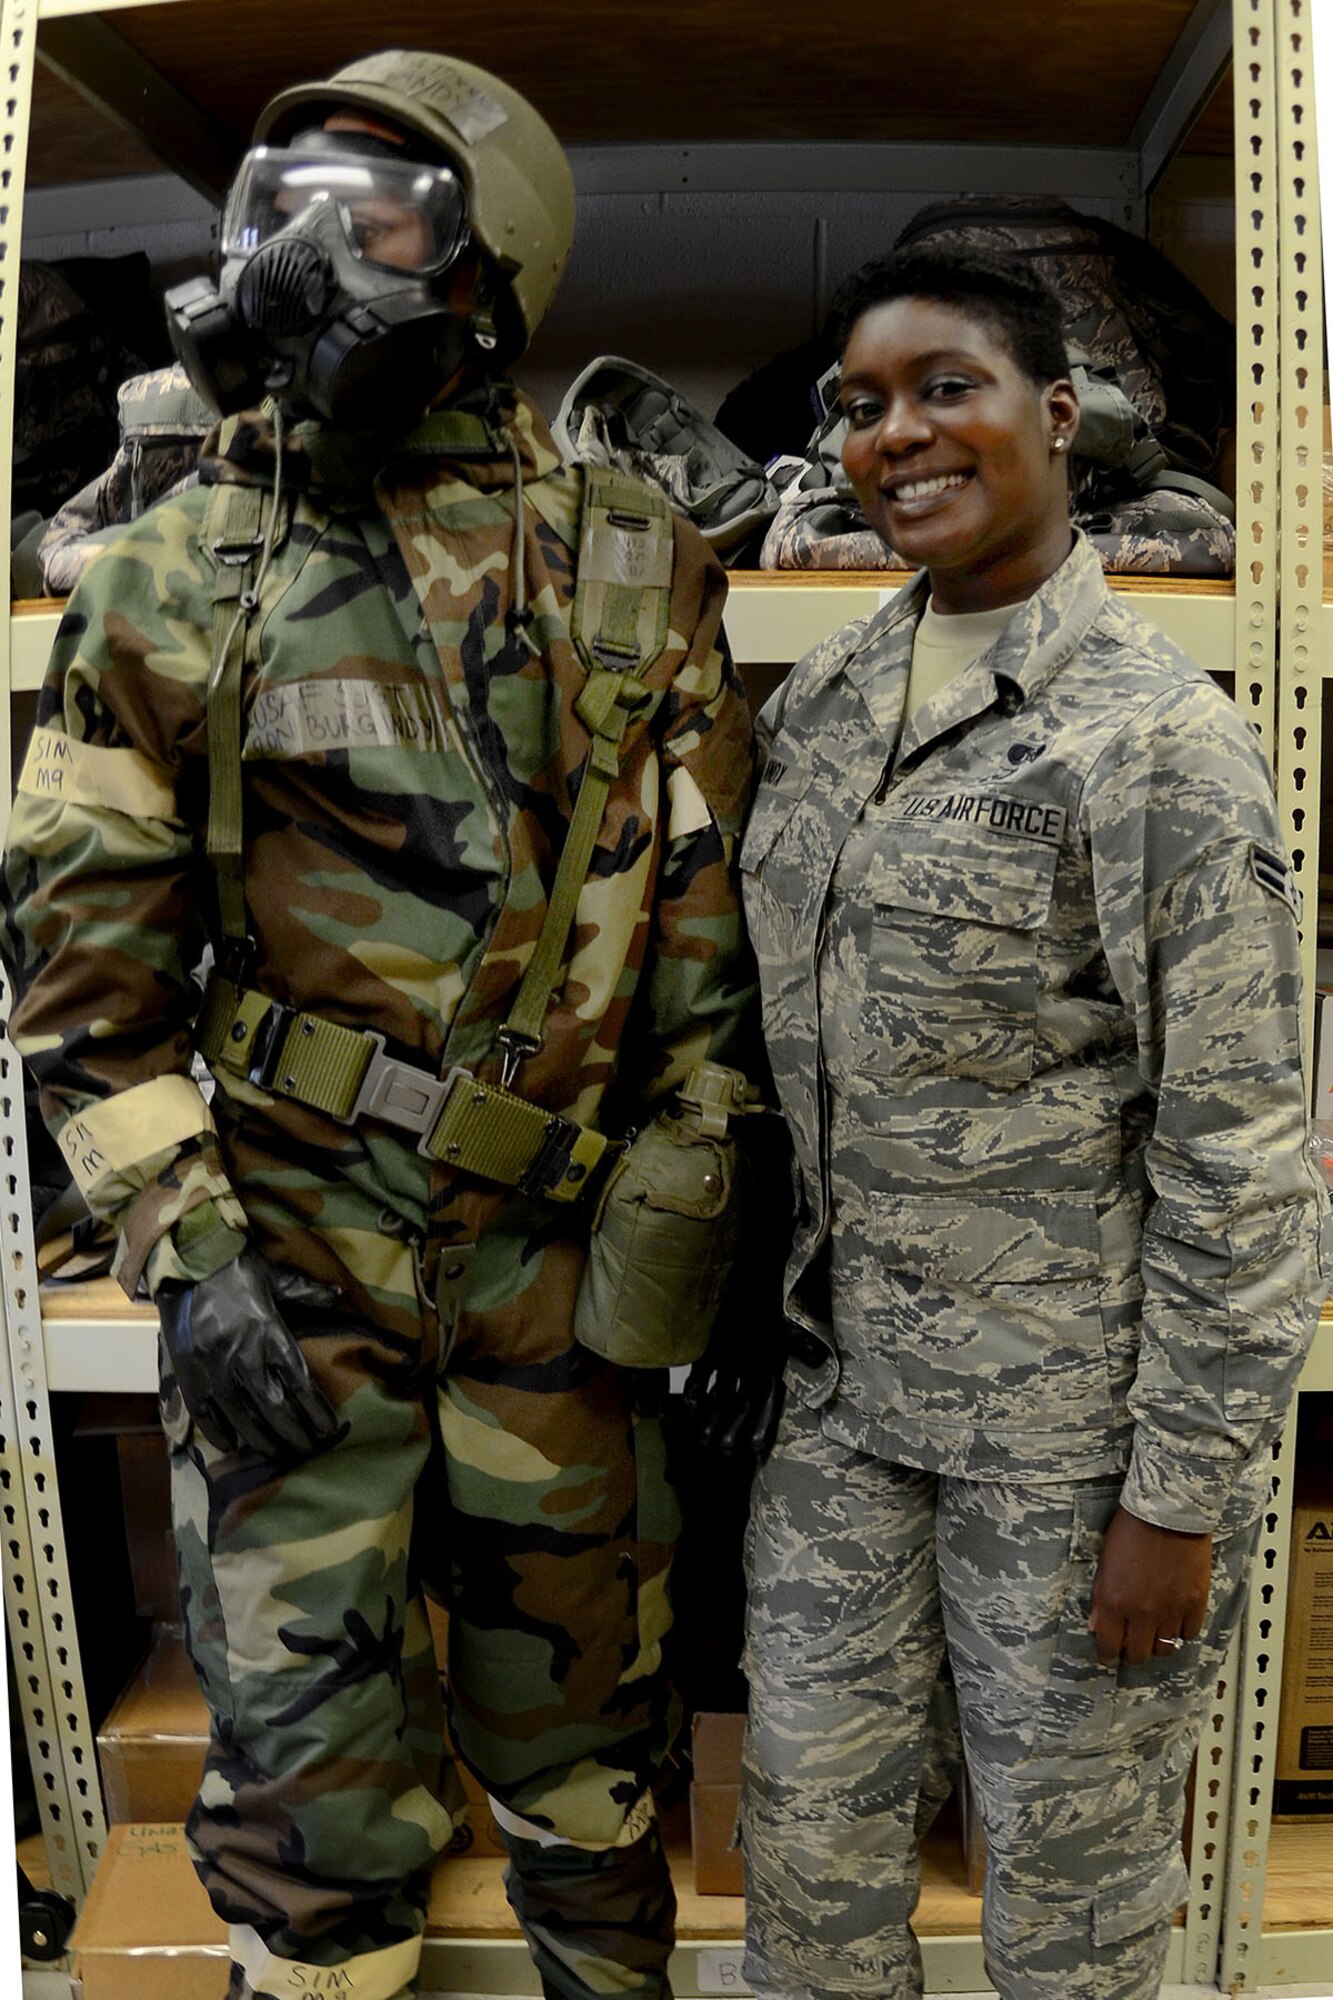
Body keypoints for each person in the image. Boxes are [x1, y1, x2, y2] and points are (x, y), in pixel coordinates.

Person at [0, 49, 760, 2000]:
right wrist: (194, 1254)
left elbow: (695, 954)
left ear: (494, 266)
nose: (298, 260)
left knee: (588, 1773)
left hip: (562, 1283)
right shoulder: (174, 572)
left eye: (372, 217)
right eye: (274, 213)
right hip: (289, 1270)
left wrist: (686, 1257)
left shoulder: (631, 560)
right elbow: (82, 978)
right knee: (309, 1808)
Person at [735, 243, 1327, 2000]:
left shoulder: (1157, 744)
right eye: (860, 407)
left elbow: (1239, 1149)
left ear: (1053, 417)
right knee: (810, 1879)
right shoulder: (825, 705)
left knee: (1068, 1923)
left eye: (944, 389)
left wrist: (1178, 1497)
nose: (895, 434)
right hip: (836, 1413)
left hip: (1063, 1453)